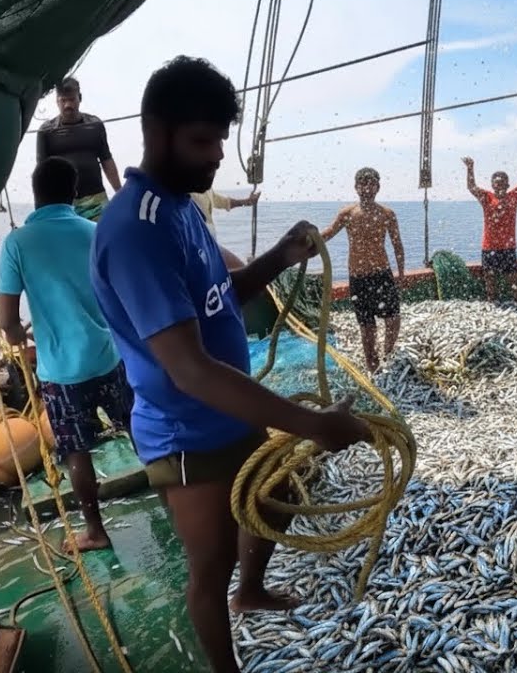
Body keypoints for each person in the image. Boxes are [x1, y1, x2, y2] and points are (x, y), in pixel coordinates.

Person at [89, 56, 370, 673]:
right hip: (186, 432)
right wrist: (313, 424)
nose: (218, 154)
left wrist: (282, 254)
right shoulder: (137, 231)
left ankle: (253, 591)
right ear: (157, 131)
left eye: (221, 138)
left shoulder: (183, 207)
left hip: (232, 407)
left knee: (268, 505)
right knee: (209, 566)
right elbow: (188, 369)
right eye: (203, 139)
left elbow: (222, 298)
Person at [0, 156, 132, 554]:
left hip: (61, 372)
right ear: (73, 193)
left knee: (76, 450)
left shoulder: (18, 243)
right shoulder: (95, 231)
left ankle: (95, 530)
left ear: (35, 195)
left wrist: (20, 335)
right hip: (109, 357)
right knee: (138, 428)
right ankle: (173, 498)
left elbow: (6, 319)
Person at [321, 168, 407, 373]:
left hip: (382, 274)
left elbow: (397, 245)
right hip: (358, 277)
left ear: (378, 187)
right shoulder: (348, 214)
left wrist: (401, 274)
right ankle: (372, 363)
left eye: (371, 184)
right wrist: (307, 238)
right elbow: (329, 233)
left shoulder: (387, 214)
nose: (367, 188)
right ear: (356, 187)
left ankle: (388, 352)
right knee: (367, 325)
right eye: (362, 184)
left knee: (393, 318)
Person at [36, 78, 122, 221]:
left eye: (71, 99)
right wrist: (41, 209)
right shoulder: (46, 131)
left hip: (96, 200)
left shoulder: (95, 124)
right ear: (57, 101)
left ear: (79, 98)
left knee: (101, 240)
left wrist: (120, 193)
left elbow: (106, 159)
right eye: (63, 100)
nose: (68, 105)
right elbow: (41, 172)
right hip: (62, 205)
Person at [464, 143, 517, 303]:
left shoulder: (514, 197)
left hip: (508, 247)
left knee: (514, 281)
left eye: (502, 182)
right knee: (489, 280)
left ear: (508, 185)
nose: (500, 185)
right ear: (492, 185)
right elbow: (471, 187)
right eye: (497, 183)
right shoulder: (486, 197)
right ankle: (492, 303)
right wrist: (470, 168)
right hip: (489, 247)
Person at [190, 188, 261, 240]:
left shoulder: (206, 186)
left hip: (209, 232)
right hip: (195, 233)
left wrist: (246, 202)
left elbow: (220, 201)